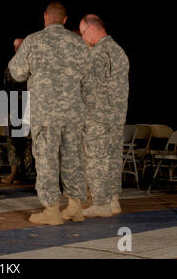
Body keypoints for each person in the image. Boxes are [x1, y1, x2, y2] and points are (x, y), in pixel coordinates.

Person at [9, 2, 92, 226]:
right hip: (73, 113)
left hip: (45, 113)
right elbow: (89, 78)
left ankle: (52, 209)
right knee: (73, 158)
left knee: (46, 159)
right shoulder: (79, 43)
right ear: (65, 20)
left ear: (45, 16)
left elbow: (16, 72)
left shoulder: (33, 41)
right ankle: (75, 207)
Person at [79, 14, 129, 217]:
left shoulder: (98, 53)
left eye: (82, 33)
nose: (82, 38)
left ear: (91, 29)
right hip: (117, 115)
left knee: (96, 158)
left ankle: (100, 203)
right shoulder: (119, 51)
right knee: (113, 157)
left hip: (97, 115)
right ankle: (113, 199)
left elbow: (88, 87)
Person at [1, 38, 34, 184]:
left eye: (19, 46)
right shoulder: (10, 67)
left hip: (28, 107)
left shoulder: (33, 65)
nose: (17, 49)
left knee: (26, 142)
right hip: (13, 107)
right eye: (15, 47)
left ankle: (24, 173)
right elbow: (5, 89)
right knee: (13, 141)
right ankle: (14, 171)